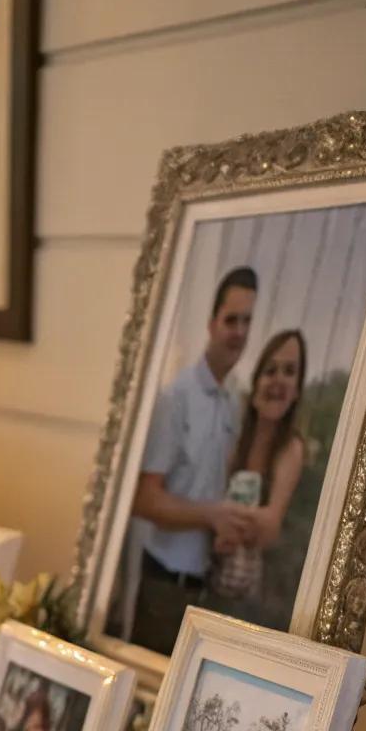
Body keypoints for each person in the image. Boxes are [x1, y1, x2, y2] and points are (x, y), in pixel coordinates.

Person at [128, 266, 259, 654]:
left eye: (247, 321)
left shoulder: (234, 401)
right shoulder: (178, 397)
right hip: (164, 590)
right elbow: (144, 500)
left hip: (208, 589)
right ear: (211, 323)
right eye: (231, 319)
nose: (238, 331)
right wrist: (212, 515)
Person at [207, 330, 307, 618]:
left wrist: (221, 518)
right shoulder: (235, 437)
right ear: (255, 384)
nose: (278, 380)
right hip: (208, 581)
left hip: (253, 605)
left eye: (289, 372)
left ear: (297, 390)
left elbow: (270, 527)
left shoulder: (291, 448)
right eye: (270, 370)